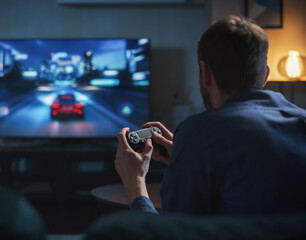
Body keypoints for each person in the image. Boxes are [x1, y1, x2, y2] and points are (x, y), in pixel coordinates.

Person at [115, 15, 306, 216]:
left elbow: (169, 235)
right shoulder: (301, 121)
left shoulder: (199, 133)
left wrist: (134, 181)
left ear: (204, 73)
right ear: (265, 75)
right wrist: (187, 161)